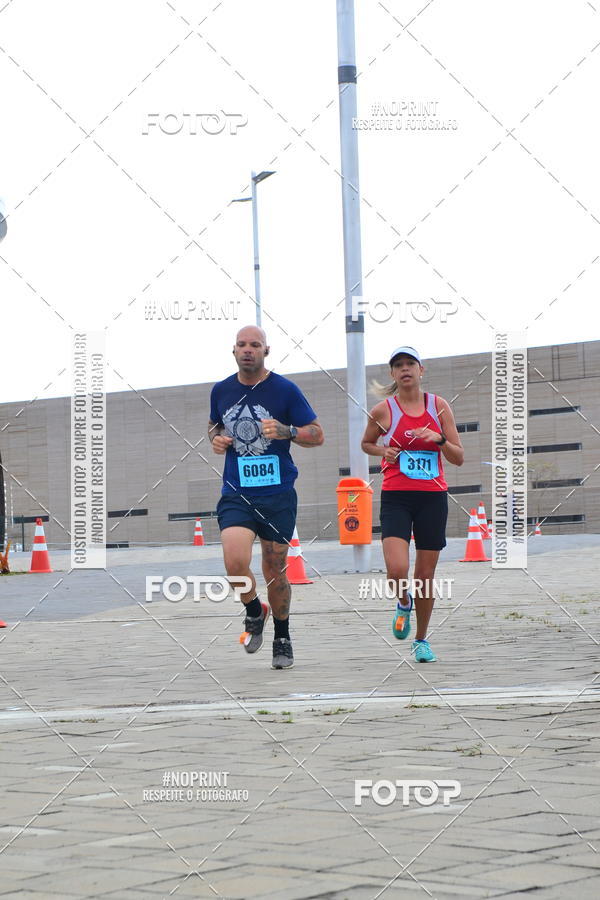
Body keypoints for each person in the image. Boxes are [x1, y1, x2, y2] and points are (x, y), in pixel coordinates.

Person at [208, 325, 324, 669]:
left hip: (277, 494)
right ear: (233, 351)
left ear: (266, 351)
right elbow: (215, 425)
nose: (248, 350)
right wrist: (216, 440)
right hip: (237, 492)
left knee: (275, 569)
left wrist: (288, 431)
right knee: (234, 563)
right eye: (242, 344)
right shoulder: (221, 390)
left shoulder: (285, 390)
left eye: (254, 345)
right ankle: (254, 610)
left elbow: (317, 434)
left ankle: (283, 636)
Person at [361, 346, 464, 662]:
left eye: (410, 364)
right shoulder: (383, 410)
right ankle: (402, 602)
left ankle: (421, 639)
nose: (405, 369)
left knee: (424, 577)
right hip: (397, 497)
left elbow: (458, 457)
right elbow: (366, 443)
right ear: (392, 374)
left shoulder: (439, 407)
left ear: (421, 370)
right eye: (398, 365)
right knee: (397, 568)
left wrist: (438, 440)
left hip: (432, 498)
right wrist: (383, 452)